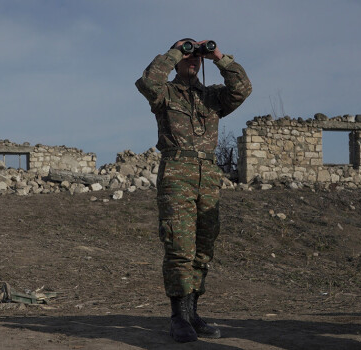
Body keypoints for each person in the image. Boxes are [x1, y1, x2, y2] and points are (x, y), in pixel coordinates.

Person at [135, 38, 252, 343]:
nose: (192, 60)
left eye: (195, 57)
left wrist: (217, 57)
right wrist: (175, 51)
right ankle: (178, 318)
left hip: (209, 178)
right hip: (176, 175)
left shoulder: (212, 97)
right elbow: (148, 81)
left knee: (203, 249)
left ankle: (193, 314)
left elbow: (242, 89)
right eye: (188, 56)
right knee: (179, 246)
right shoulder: (165, 93)